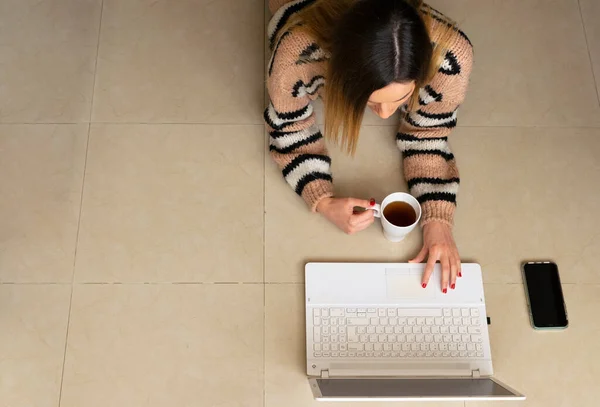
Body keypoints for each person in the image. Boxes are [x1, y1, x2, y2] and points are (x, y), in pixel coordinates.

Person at [265, 0, 473, 293]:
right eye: (371, 101)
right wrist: (322, 201)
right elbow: (288, 128)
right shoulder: (297, 52)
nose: (387, 114)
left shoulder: (451, 56)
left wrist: (438, 219)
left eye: (402, 99)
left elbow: (429, 132)